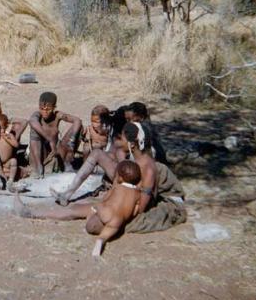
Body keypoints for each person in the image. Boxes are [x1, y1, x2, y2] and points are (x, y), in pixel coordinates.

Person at [53, 121, 187, 234]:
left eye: (122, 138)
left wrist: (116, 206)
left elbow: (141, 208)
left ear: (132, 144)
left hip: (129, 206)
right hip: (126, 194)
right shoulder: (134, 157)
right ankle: (37, 211)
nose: (118, 141)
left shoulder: (148, 168)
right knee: (77, 209)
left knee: (92, 223)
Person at [13, 160, 142, 257]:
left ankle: (31, 212)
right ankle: (101, 241)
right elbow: (136, 210)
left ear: (119, 177)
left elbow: (106, 201)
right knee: (101, 230)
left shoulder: (117, 187)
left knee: (75, 209)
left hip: (104, 214)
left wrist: (99, 207)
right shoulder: (137, 193)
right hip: (117, 223)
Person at [50, 106, 128, 205]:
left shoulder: (123, 139)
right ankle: (66, 195)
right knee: (95, 153)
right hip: (118, 172)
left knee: (96, 154)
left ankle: (67, 195)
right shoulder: (117, 132)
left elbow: (124, 166)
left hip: (122, 179)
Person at [28, 92, 82, 177]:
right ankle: (39, 167)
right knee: (35, 129)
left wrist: (72, 142)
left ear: (54, 107)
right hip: (41, 154)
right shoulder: (37, 115)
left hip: (56, 153)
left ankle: (67, 162)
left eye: (48, 109)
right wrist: (49, 139)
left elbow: (77, 121)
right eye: (42, 108)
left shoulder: (57, 115)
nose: (45, 112)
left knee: (79, 128)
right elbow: (32, 122)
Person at [125, 102, 169, 166]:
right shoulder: (141, 125)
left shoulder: (145, 129)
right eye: (127, 119)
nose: (128, 122)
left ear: (141, 117)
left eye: (130, 119)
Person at [0, 112, 30, 191]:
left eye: (2, 128)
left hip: (7, 162)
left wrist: (7, 138)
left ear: (6, 127)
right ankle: (3, 177)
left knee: (14, 161)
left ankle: (11, 180)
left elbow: (16, 145)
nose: (0, 131)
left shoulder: (10, 135)